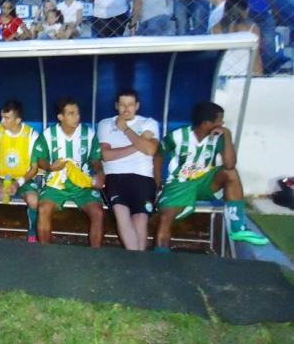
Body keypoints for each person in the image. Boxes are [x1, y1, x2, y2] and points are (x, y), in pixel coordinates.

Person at [155, 101, 269, 250]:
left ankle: (237, 228)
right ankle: (160, 260)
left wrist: (227, 136)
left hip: (206, 182)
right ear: (206, 123)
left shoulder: (219, 137)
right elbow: (158, 156)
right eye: (219, 120)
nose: (222, 123)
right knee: (165, 218)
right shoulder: (177, 136)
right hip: (180, 184)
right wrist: (156, 183)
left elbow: (229, 165)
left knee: (230, 173)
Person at [36, 97, 105, 247]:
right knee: (43, 209)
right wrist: (50, 167)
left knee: (98, 213)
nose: (77, 117)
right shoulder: (49, 134)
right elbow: (40, 159)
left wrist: (100, 172)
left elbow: (95, 159)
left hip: (82, 184)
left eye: (78, 113)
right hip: (56, 183)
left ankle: (96, 256)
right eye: (71, 113)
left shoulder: (89, 134)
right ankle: (43, 254)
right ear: (60, 117)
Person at [97, 89, 159, 251]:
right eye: (122, 105)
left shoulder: (148, 123)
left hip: (143, 176)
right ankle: (137, 261)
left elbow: (151, 150)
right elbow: (105, 155)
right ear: (116, 106)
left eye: (130, 104)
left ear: (137, 106)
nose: (126, 109)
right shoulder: (105, 124)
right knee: (121, 214)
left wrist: (125, 129)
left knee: (140, 217)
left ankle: (138, 261)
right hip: (114, 176)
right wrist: (138, 145)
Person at [0, 101, 41, 242]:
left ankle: (31, 231)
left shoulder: (31, 135)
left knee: (34, 200)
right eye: (1, 117)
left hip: (23, 179)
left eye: (6, 118)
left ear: (18, 120)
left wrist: (17, 184)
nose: (2, 121)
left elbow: (34, 168)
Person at [211, 0, 264, 76]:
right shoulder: (252, 29)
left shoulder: (215, 28)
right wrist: (259, 76)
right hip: (244, 77)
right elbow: (256, 59)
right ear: (246, 10)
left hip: (221, 75)